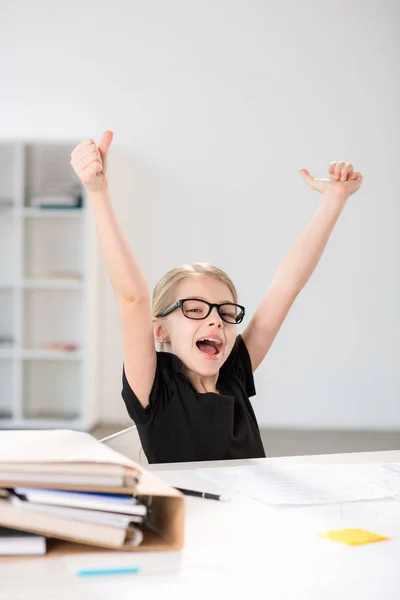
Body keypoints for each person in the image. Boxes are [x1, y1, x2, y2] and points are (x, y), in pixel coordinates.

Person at [71, 131, 363, 464]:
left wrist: (334, 199)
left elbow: (287, 284)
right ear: (160, 329)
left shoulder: (234, 371)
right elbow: (132, 299)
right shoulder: (155, 387)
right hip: (193, 516)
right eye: (194, 309)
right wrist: (98, 192)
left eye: (225, 313)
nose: (215, 320)